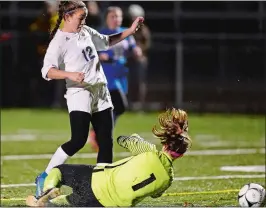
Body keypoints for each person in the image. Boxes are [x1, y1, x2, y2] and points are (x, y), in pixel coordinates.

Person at [34, 0, 144, 199]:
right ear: (67, 17)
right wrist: (70, 75)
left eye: (84, 17)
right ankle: (44, 176)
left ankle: (104, 187)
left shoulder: (85, 31)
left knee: (106, 141)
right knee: (78, 140)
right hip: (79, 93)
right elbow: (46, 71)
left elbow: (106, 41)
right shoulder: (59, 41)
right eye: (80, 17)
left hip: (101, 92)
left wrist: (130, 30)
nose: (83, 21)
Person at [26, 108, 192, 207]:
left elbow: (124, 140)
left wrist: (137, 139)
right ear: (182, 155)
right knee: (69, 202)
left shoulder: (148, 151)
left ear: (166, 143)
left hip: (96, 180)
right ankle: (54, 203)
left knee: (58, 171)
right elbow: (156, 195)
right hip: (106, 204)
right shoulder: (168, 179)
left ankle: (48, 190)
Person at [88, 6, 142, 151]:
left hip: (121, 75)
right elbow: (89, 53)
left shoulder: (126, 33)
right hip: (107, 76)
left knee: (115, 108)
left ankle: (98, 131)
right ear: (106, 18)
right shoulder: (101, 34)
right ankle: (101, 133)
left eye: (118, 16)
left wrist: (136, 51)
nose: (116, 19)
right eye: (112, 16)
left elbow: (131, 49)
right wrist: (99, 56)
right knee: (120, 105)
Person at [128, 4, 151, 111]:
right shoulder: (130, 29)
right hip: (130, 59)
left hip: (140, 60)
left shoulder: (144, 30)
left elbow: (147, 44)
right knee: (129, 81)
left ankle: (140, 104)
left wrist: (139, 48)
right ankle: (129, 103)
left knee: (140, 82)